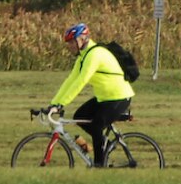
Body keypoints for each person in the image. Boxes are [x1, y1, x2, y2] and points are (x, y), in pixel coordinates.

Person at [44, 22, 135, 167]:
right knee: (79, 116)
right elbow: (70, 80)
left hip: (119, 97)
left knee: (97, 124)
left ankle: (99, 165)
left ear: (83, 39)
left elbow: (81, 81)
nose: (70, 46)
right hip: (104, 98)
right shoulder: (83, 57)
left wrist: (63, 103)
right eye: (69, 43)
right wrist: (54, 103)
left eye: (72, 42)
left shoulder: (95, 55)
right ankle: (101, 143)